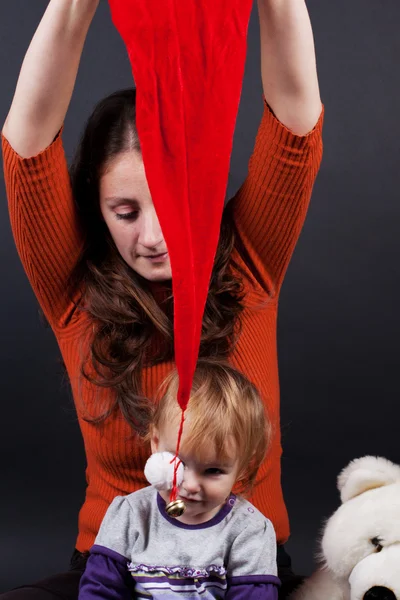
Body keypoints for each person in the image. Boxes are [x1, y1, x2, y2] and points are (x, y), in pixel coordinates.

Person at [1, 0, 323, 597]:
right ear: (97, 211)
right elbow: (25, 147)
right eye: (125, 212)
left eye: (172, 204)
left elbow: (296, 121)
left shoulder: (249, 261)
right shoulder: (73, 287)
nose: (152, 237)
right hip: (117, 573)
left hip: (242, 573)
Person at [79, 360, 280, 599]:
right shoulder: (130, 514)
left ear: (243, 467)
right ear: (155, 443)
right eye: (179, 464)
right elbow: (101, 589)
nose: (191, 485)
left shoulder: (248, 530)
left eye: (213, 470)